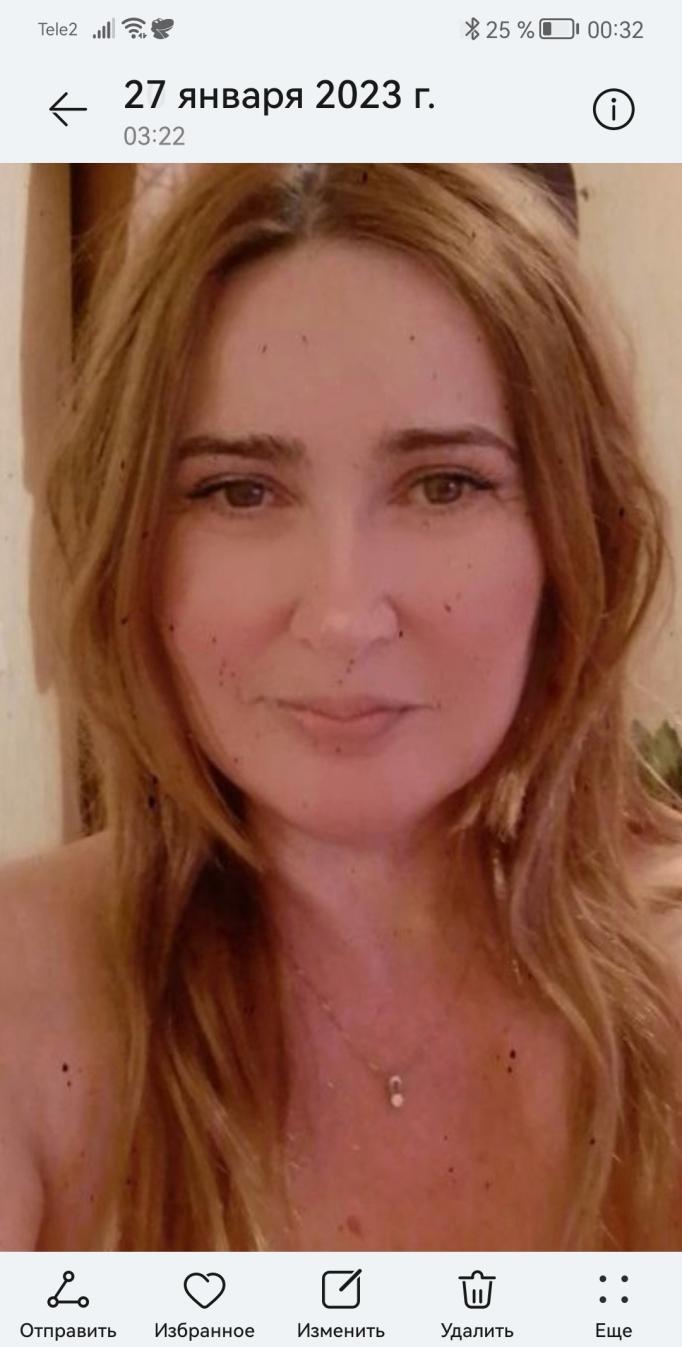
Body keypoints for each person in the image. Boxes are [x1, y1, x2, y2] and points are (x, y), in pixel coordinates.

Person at [2, 162, 682, 1253]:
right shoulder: (24, 1002)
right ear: (136, 555)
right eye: (239, 491)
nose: (342, 616)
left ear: (572, 541)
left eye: (444, 484)